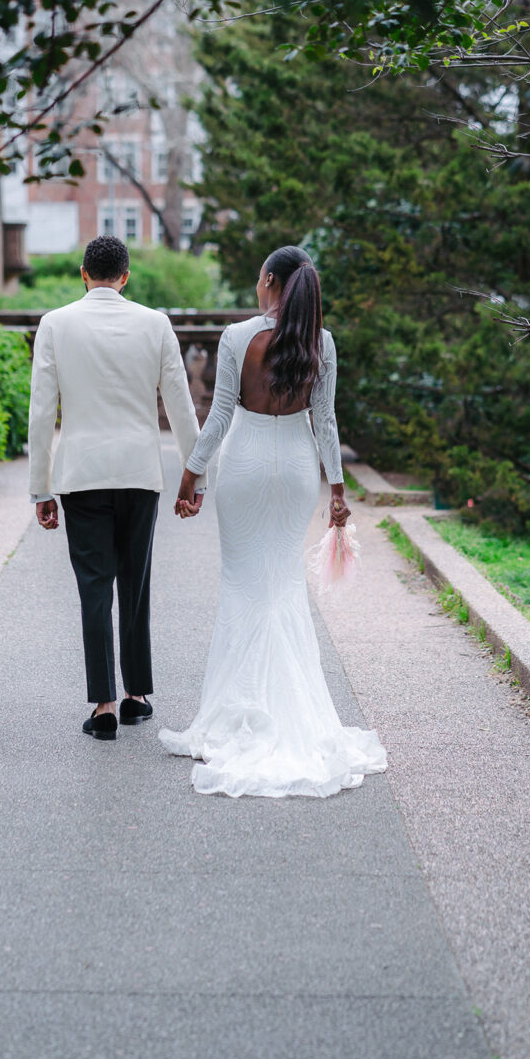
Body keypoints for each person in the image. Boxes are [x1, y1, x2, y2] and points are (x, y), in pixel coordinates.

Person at [159, 245, 387, 797]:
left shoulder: (238, 338)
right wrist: (337, 489)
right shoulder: (321, 343)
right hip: (296, 472)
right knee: (283, 585)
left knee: (242, 586)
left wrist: (191, 474)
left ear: (267, 281)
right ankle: (295, 714)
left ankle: (235, 714)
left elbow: (218, 416)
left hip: (245, 463)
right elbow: (326, 422)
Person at [28, 235, 204, 742]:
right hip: (139, 472)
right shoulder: (155, 323)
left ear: (83, 273)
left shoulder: (56, 324)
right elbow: (181, 404)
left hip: (81, 475)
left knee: (93, 586)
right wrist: (196, 476)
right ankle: (137, 696)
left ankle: (104, 703)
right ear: (125, 276)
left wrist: (40, 489)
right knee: (135, 582)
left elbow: (42, 412)